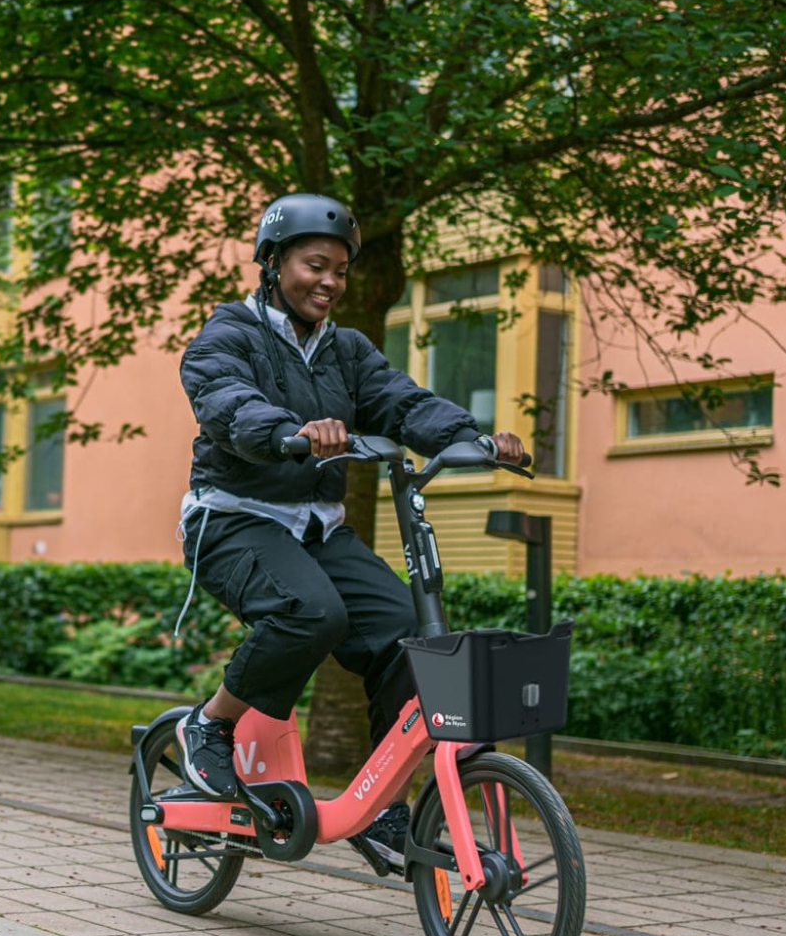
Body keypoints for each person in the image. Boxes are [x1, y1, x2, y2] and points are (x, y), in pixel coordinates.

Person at [176, 192, 526, 812]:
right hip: (232, 518)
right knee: (313, 613)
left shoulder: (347, 350)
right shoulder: (228, 332)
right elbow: (226, 399)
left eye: (340, 271)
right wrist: (288, 430)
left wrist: (472, 439)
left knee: (405, 634)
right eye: (315, 266)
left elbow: (402, 401)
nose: (330, 282)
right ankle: (210, 723)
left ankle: (379, 806)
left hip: (317, 527)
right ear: (275, 262)